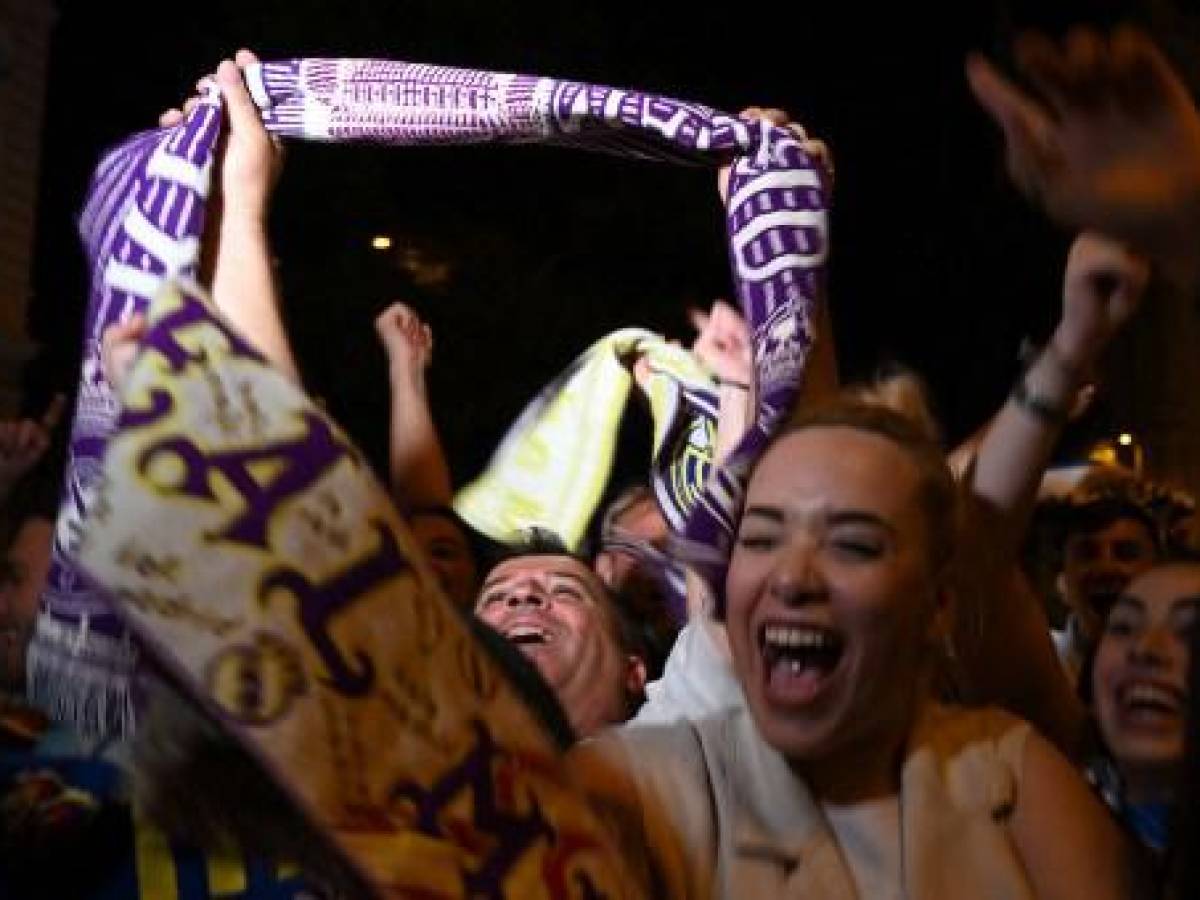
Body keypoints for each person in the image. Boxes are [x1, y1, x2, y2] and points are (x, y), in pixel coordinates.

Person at [572, 400, 1131, 900]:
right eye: (762, 539)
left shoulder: (1013, 776)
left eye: (852, 545)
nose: (791, 579)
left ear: (937, 606)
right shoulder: (634, 789)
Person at [474, 532, 647, 739]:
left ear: (632, 673)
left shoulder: (684, 745)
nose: (523, 593)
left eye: (564, 591)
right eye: (495, 597)